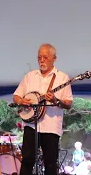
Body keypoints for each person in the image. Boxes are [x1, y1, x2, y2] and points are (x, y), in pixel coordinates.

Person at [13, 43, 73, 175]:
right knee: (27, 161)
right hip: (31, 126)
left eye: (45, 57)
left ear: (54, 58)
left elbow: (69, 103)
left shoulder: (62, 78)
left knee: (50, 163)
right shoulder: (30, 76)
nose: (41, 60)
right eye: (39, 57)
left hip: (51, 127)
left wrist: (56, 100)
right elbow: (16, 95)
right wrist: (21, 101)